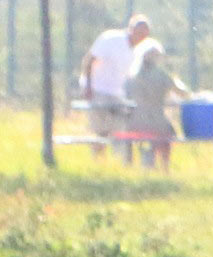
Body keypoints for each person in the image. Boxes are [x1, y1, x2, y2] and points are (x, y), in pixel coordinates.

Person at [79, 15, 150, 155]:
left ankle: (119, 164)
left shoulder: (137, 51)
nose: (141, 37)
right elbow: (89, 60)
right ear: (131, 29)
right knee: (100, 130)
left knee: (120, 129)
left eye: (144, 34)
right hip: (96, 89)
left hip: (116, 93)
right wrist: (88, 87)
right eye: (139, 32)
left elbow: (130, 77)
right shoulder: (111, 39)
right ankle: (98, 162)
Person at [126, 40, 188, 171]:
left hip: (136, 122)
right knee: (168, 134)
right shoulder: (162, 76)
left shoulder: (132, 77)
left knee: (138, 138)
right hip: (158, 121)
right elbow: (182, 93)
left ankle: (139, 166)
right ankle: (165, 168)